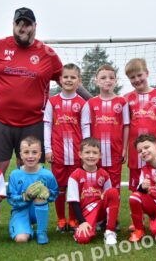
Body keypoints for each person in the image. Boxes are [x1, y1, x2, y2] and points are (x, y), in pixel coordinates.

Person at [0, 7, 92, 174]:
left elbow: (70, 82)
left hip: (33, 122)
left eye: (27, 24)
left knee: (29, 170)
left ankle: (26, 201)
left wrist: (94, 102)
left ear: (35, 26)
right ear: (13, 25)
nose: (22, 28)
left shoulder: (47, 54)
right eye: (18, 23)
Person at [43, 63, 88, 232]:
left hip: (76, 153)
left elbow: (85, 128)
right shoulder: (52, 102)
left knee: (75, 186)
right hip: (58, 152)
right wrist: (47, 149)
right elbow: (47, 126)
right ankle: (61, 219)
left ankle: (73, 219)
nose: (69, 80)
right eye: (66, 77)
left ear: (79, 81)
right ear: (60, 80)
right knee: (60, 187)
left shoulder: (82, 103)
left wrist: (85, 151)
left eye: (73, 77)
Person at [81, 64, 129, 191]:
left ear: (116, 81)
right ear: (96, 81)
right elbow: (86, 127)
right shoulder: (90, 103)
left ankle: (112, 211)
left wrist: (124, 148)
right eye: (103, 78)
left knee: (114, 187)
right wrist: (88, 149)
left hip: (115, 151)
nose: (107, 80)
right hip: (97, 152)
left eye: (111, 78)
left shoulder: (122, 102)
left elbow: (126, 126)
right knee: (97, 186)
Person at [124, 58, 156, 193]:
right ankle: (137, 212)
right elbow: (125, 125)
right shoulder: (126, 98)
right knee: (137, 186)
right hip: (134, 149)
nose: (137, 79)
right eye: (132, 77)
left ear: (147, 73)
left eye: (139, 75)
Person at [66, 137, 120, 245]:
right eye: (87, 152)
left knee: (113, 192)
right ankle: (89, 226)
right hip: (86, 212)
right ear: (80, 154)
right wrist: (82, 222)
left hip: (100, 207)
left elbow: (109, 196)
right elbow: (74, 202)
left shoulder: (104, 174)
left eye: (95, 153)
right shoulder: (74, 176)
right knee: (83, 239)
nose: (91, 156)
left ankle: (109, 231)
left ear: (100, 155)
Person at [7, 136, 58, 244]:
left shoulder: (47, 175)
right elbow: (10, 199)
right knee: (21, 239)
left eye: (34, 152)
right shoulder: (15, 174)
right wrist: (25, 196)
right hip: (20, 210)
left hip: (38, 209)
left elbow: (55, 193)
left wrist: (48, 193)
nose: (30, 156)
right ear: (20, 155)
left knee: (40, 194)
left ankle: (41, 232)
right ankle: (25, 228)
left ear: (40, 154)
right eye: (26, 152)